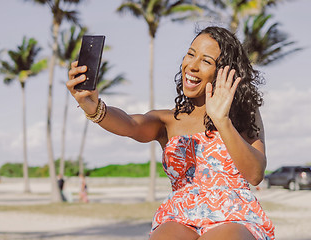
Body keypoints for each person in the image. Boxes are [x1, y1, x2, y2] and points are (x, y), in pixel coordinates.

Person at [66, 26, 275, 240]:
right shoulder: (168, 121)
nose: (192, 66)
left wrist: (222, 122)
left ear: (224, 72)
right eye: (191, 54)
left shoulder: (244, 115)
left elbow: (255, 174)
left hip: (235, 216)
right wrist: (94, 107)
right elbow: (130, 124)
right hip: (180, 215)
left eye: (206, 61)